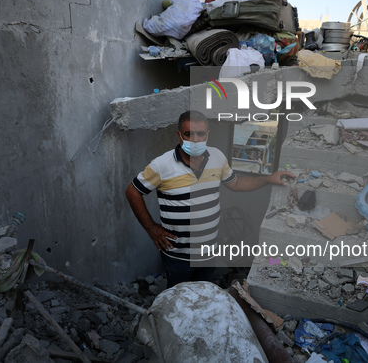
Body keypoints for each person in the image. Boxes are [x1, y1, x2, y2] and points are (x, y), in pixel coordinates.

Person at [125, 111, 295, 288]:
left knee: (205, 298)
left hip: (208, 254)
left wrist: (268, 178)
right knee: (179, 300)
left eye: (201, 134)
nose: (196, 140)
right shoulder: (162, 164)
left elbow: (236, 183)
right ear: (179, 135)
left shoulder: (217, 157)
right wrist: (151, 228)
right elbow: (132, 191)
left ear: (208, 134)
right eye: (189, 134)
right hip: (177, 256)